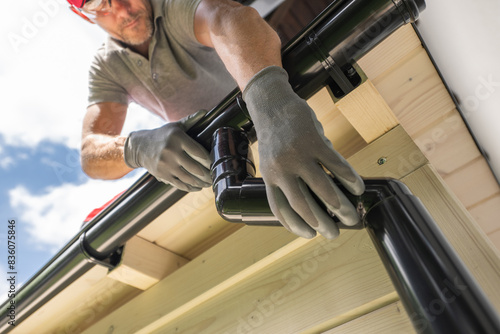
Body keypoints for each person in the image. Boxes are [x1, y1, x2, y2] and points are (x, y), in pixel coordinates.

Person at [68, 0, 365, 239]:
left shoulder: (170, 6)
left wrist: (272, 105)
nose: (122, 9)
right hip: (217, 158)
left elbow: (227, 19)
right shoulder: (106, 66)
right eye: (100, 5)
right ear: (84, 16)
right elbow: (90, 153)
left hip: (280, 119)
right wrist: (135, 147)